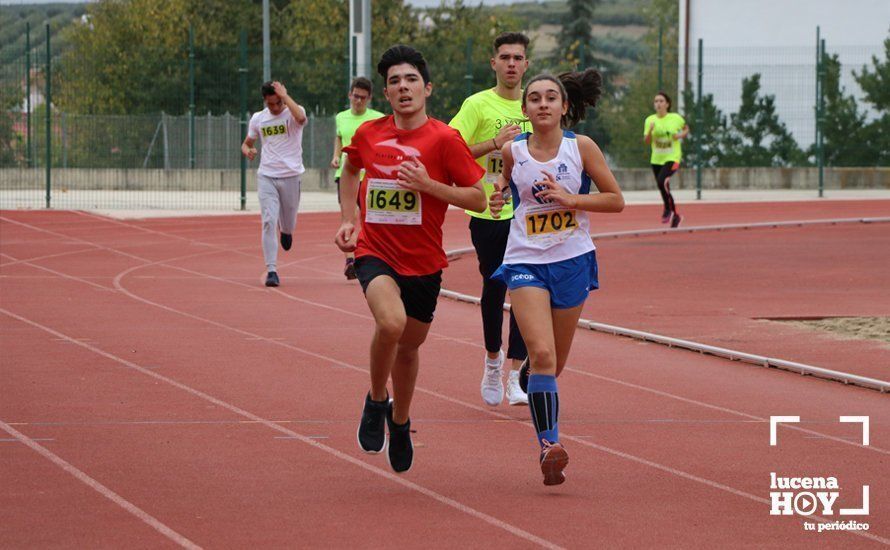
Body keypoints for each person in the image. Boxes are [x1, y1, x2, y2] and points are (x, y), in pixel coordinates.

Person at [334, 45, 486, 473]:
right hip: (375, 252)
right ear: (386, 92)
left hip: (424, 263)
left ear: (427, 88)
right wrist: (350, 219)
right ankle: (376, 400)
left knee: (408, 348)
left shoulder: (444, 139)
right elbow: (349, 172)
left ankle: (399, 422)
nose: (403, 87)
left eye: (411, 80)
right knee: (390, 323)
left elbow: (478, 196)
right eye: (395, 82)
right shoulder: (368, 134)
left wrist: (428, 185)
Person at [489, 70, 624, 485]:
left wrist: (572, 198)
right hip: (525, 259)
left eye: (551, 97)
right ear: (525, 109)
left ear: (565, 106)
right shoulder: (513, 151)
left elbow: (616, 200)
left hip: (573, 259)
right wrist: (498, 193)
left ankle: (533, 371)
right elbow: (506, 188)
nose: (542, 104)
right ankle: (550, 446)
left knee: (553, 363)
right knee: (545, 356)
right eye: (534, 99)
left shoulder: (580, 147)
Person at [450, 32, 531, 408]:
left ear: (526, 65)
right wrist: (494, 143)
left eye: (518, 57)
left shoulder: (535, 104)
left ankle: (516, 374)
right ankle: (492, 360)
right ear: (493, 63)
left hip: (529, 212)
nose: (512, 63)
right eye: (505, 57)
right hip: (488, 210)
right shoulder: (477, 104)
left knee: (526, 290)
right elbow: (452, 148)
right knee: (495, 287)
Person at [241, 81, 307, 287]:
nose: (276, 108)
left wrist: (285, 96)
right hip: (267, 175)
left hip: (291, 176)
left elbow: (301, 118)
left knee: (288, 223)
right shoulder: (258, 119)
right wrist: (247, 151)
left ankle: (286, 231)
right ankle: (272, 270)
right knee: (268, 221)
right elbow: (247, 143)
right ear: (265, 101)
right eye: (271, 104)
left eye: (279, 103)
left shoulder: (293, 112)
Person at [331, 77, 385, 280]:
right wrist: (336, 156)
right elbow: (339, 137)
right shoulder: (341, 117)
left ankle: (369, 253)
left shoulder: (378, 118)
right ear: (349, 95)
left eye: (363, 98)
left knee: (368, 217)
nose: (358, 101)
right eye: (355, 96)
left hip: (370, 175)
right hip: (346, 174)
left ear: (369, 98)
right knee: (349, 215)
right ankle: (350, 260)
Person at [643, 92, 689, 228]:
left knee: (662, 181)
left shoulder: (675, 118)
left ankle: (668, 210)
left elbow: (686, 129)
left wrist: (680, 135)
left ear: (667, 104)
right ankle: (676, 216)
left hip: (672, 158)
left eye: (661, 101)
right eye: (656, 101)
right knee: (662, 186)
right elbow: (646, 141)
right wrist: (650, 131)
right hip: (656, 159)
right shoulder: (650, 120)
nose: (658, 103)